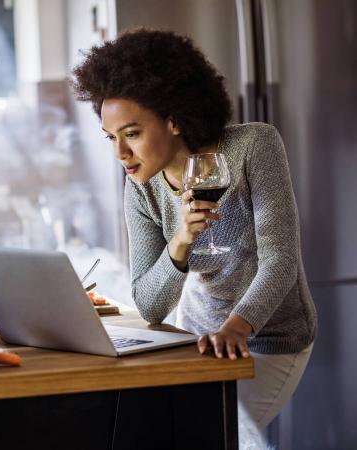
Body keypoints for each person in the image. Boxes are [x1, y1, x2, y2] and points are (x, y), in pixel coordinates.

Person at [71, 29, 317, 449]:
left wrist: (236, 328)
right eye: (111, 138)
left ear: (174, 119)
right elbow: (149, 305)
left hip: (265, 338)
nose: (120, 155)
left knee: (216, 435)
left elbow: (280, 261)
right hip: (196, 337)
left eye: (131, 133)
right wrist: (182, 240)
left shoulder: (253, 146)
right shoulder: (141, 187)